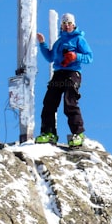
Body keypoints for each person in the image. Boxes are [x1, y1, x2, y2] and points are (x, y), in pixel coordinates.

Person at [35, 12, 93, 147]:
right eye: (64, 24)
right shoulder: (59, 42)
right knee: (49, 102)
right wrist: (42, 43)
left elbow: (89, 57)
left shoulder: (79, 39)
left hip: (72, 73)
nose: (67, 26)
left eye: (69, 23)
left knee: (69, 102)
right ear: (61, 25)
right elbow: (50, 57)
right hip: (58, 73)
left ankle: (78, 133)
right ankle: (49, 133)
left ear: (74, 25)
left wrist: (75, 56)